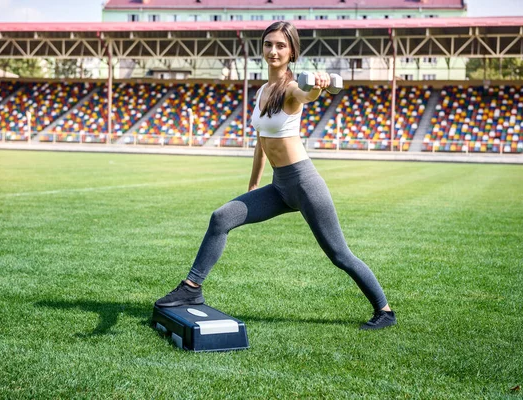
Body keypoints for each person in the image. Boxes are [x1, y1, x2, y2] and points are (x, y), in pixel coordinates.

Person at [155, 21, 396, 330]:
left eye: (281, 45)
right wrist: (254, 185)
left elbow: (305, 95)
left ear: (292, 51)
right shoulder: (263, 91)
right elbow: (261, 143)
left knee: (339, 254)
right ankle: (191, 289)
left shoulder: (291, 89)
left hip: (304, 183)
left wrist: (318, 86)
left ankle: (385, 312)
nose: (273, 50)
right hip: (279, 186)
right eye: (269, 44)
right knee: (221, 218)